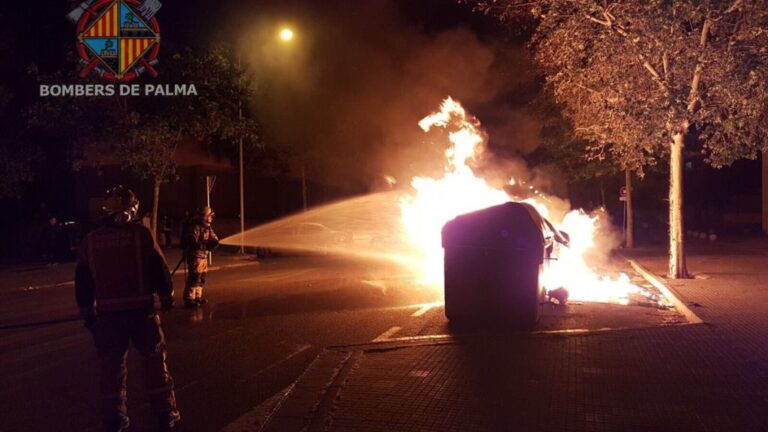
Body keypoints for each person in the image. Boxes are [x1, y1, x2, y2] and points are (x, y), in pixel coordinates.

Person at [74, 186, 181, 432]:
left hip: (108, 318)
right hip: (142, 314)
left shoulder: (90, 241)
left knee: (111, 369)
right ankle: (165, 414)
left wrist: (87, 314)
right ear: (132, 209)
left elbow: (83, 281)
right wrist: (167, 298)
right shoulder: (142, 235)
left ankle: (114, 420)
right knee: (154, 364)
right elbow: (159, 270)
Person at [181, 206, 219, 308]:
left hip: (203, 256)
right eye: (209, 216)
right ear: (204, 216)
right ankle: (189, 299)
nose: (211, 218)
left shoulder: (207, 227)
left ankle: (197, 297)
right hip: (195, 256)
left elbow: (213, 238)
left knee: (201, 278)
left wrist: (214, 243)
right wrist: (205, 245)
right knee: (194, 277)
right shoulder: (196, 227)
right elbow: (193, 242)